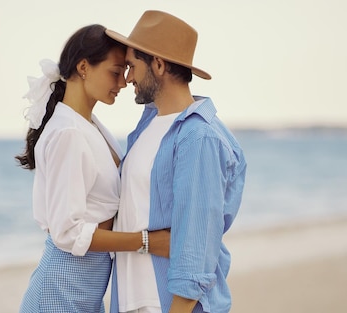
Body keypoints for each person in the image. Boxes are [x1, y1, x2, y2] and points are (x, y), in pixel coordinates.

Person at [15, 24, 170, 313]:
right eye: (115, 71)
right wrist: (148, 242)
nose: (123, 82)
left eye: (126, 70)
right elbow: (67, 232)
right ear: (83, 67)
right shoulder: (68, 133)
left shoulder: (89, 126)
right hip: (60, 290)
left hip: (85, 289)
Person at [105, 11, 247, 313]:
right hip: (134, 300)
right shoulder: (148, 125)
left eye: (132, 66)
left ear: (158, 64)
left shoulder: (199, 138)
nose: (127, 77)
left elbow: (196, 252)